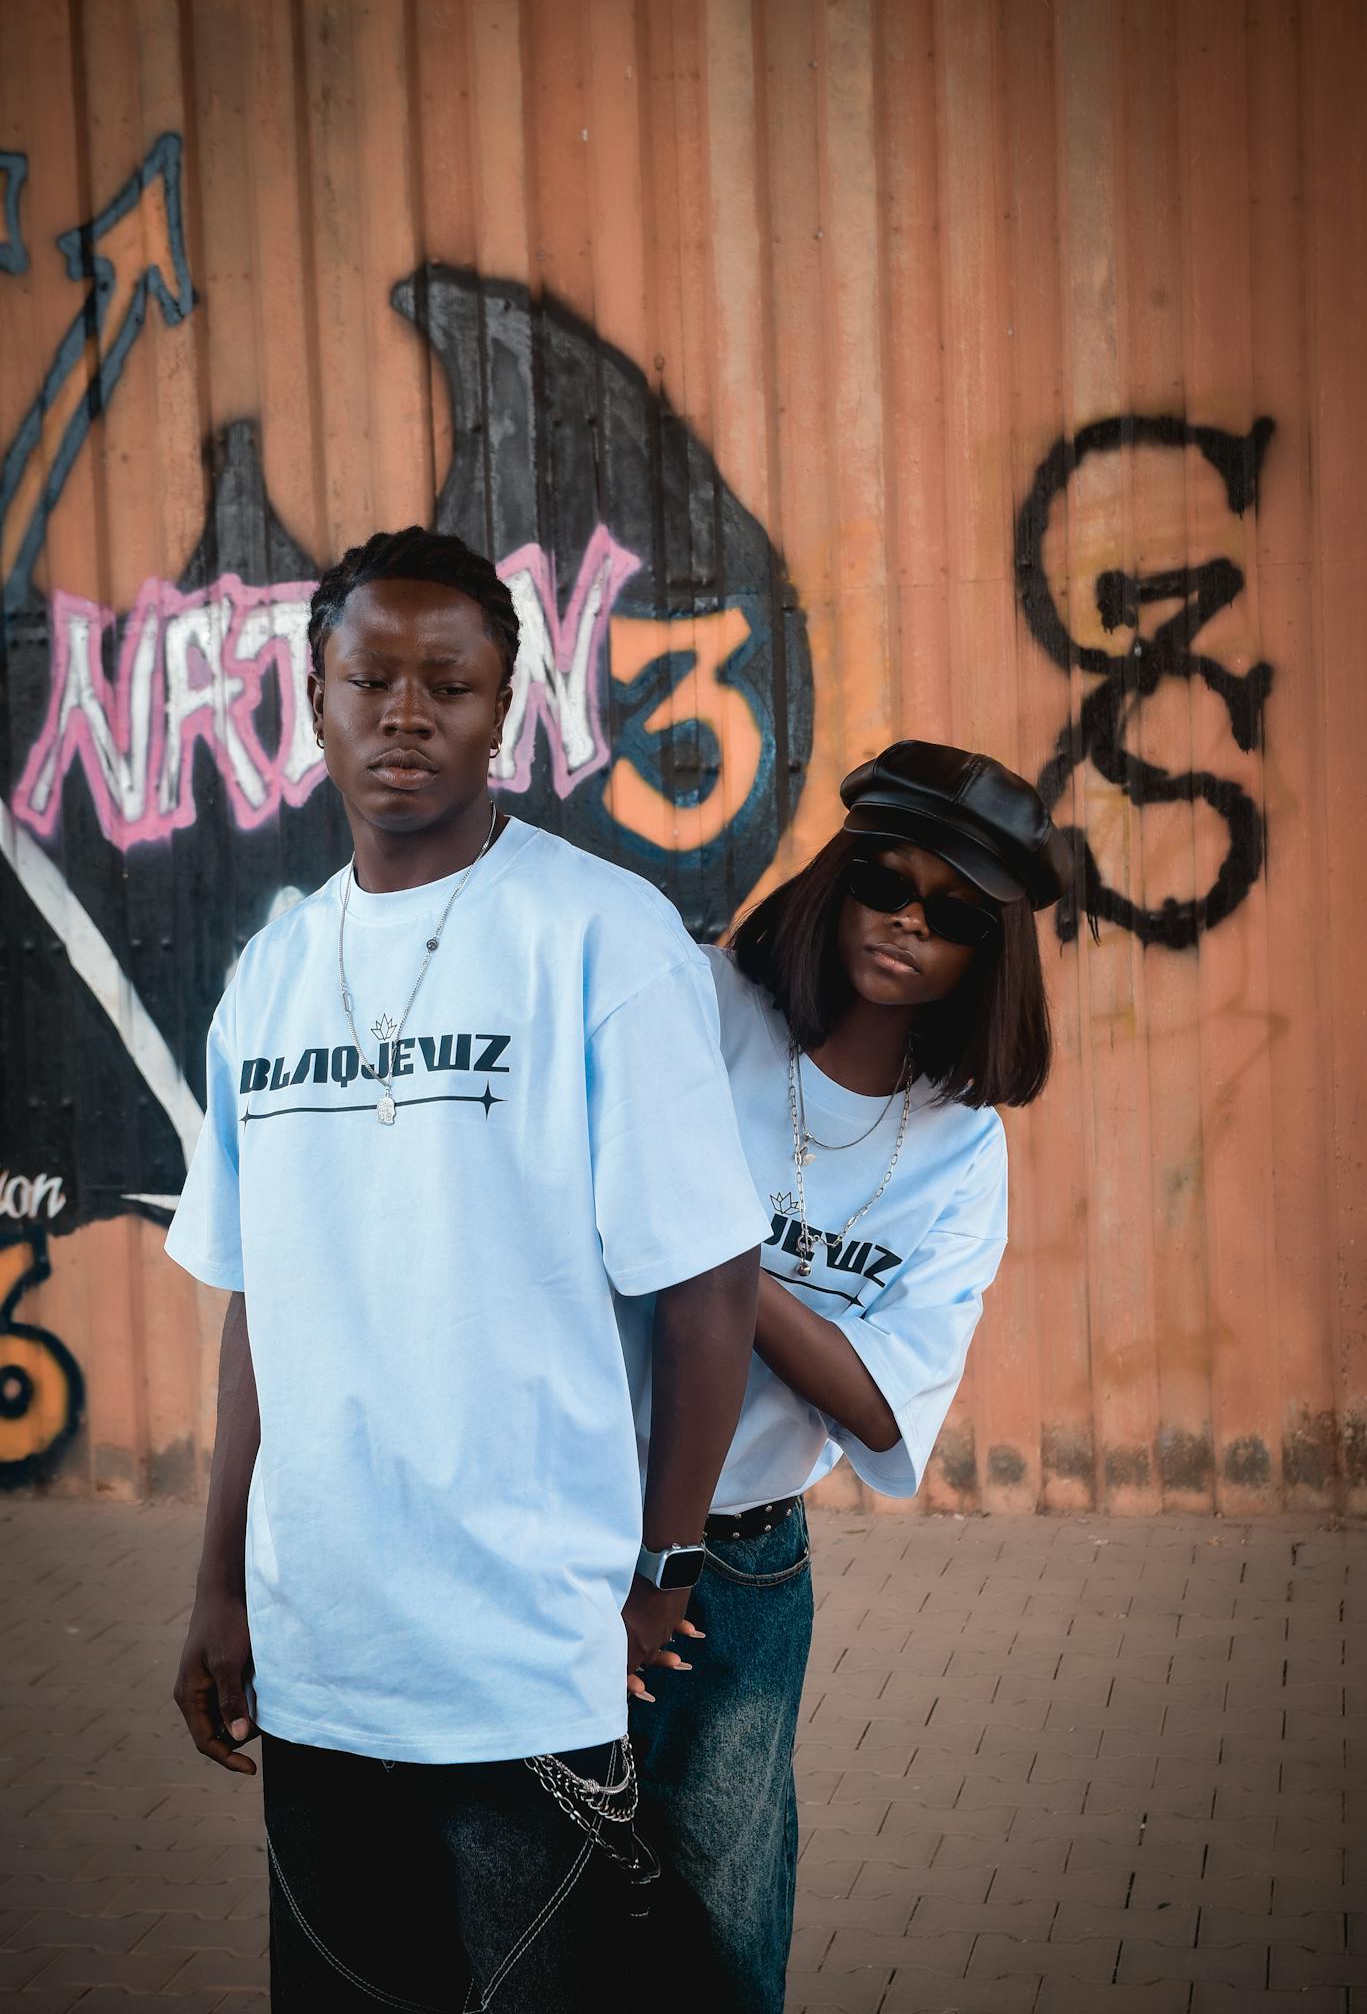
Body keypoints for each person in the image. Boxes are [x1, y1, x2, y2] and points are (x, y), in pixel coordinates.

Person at [166, 527, 767, 2011]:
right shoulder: (272, 975)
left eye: (451, 682)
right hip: (322, 1653)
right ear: (313, 699)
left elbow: (708, 1289)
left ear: (506, 710)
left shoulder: (601, 938)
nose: (405, 712)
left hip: (525, 1651)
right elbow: (261, 1301)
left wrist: (664, 1567)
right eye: (368, 677)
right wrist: (219, 1585)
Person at [619, 740, 1071, 2013]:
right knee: (539, 1889)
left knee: (718, 1916)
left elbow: (882, 1403)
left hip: (745, 1561)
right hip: (574, 1518)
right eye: (885, 883)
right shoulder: (706, 1010)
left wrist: (718, 1260)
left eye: (951, 916)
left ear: (988, 954)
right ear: (836, 877)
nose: (906, 926)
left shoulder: (959, 1146)